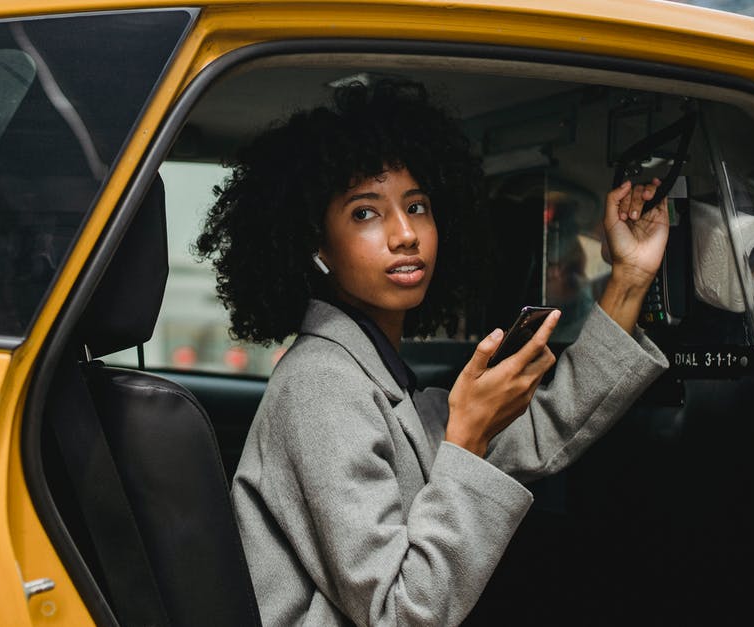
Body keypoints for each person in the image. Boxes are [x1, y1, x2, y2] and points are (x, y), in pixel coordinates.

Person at [195, 80, 670, 626]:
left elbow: (545, 427)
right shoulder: (321, 386)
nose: (405, 234)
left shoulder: (383, 380)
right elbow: (400, 614)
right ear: (315, 245)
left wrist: (630, 276)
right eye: (365, 214)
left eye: (417, 206)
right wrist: (465, 438)